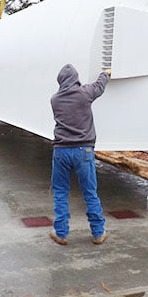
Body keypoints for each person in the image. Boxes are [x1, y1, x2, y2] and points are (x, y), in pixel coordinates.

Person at [49, 64, 110, 245]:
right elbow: (99, 86)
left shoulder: (55, 99)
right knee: (90, 193)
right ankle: (98, 233)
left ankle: (61, 233)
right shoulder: (85, 94)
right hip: (84, 151)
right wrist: (105, 73)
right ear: (76, 78)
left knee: (60, 192)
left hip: (60, 151)